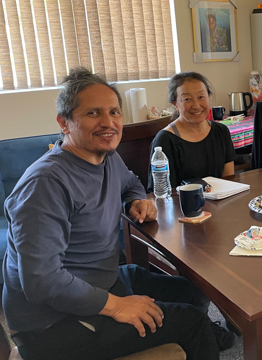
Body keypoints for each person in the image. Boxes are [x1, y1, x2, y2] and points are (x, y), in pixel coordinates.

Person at [2, 67, 235, 360]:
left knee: (194, 291)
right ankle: (196, 336)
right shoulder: (45, 184)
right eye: (93, 113)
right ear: (64, 123)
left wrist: (135, 200)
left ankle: (198, 340)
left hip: (102, 278)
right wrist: (116, 305)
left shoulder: (107, 157)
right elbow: (41, 282)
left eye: (114, 112)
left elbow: (132, 183)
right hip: (52, 324)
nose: (108, 122)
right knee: (192, 322)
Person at [148, 71, 235, 191]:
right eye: (187, 99)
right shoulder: (165, 140)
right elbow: (162, 193)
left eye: (201, 97)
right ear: (175, 105)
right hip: (183, 207)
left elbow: (229, 180)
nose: (196, 105)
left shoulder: (221, 131)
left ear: (208, 97)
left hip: (220, 203)